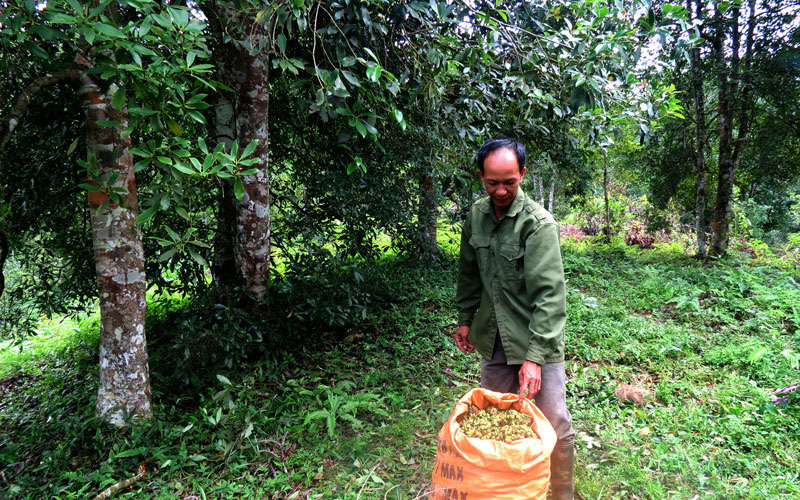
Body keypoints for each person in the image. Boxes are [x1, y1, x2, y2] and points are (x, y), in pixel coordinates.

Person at [454, 137, 575, 499]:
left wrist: (535, 359)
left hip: (538, 337)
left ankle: (562, 494)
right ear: (481, 177)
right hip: (492, 336)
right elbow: (469, 273)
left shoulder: (538, 225)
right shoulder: (476, 216)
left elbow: (550, 297)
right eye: (493, 183)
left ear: (522, 173)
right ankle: (503, 489)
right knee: (494, 418)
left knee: (554, 420)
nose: (502, 190)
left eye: (510, 181)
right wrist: (465, 317)